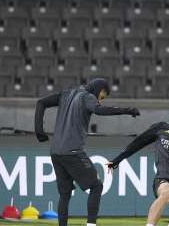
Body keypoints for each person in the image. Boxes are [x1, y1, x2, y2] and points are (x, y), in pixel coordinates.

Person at [34, 78, 140, 226]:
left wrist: (39, 130)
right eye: (101, 96)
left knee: (64, 194)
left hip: (56, 152)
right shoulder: (87, 97)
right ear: (100, 89)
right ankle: (91, 225)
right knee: (97, 186)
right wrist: (127, 110)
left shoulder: (66, 93)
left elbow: (41, 103)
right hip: (73, 151)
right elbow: (100, 110)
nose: (100, 100)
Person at [107, 99, 169, 226]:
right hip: (164, 181)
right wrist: (117, 160)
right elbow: (137, 143)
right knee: (167, 193)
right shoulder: (161, 128)